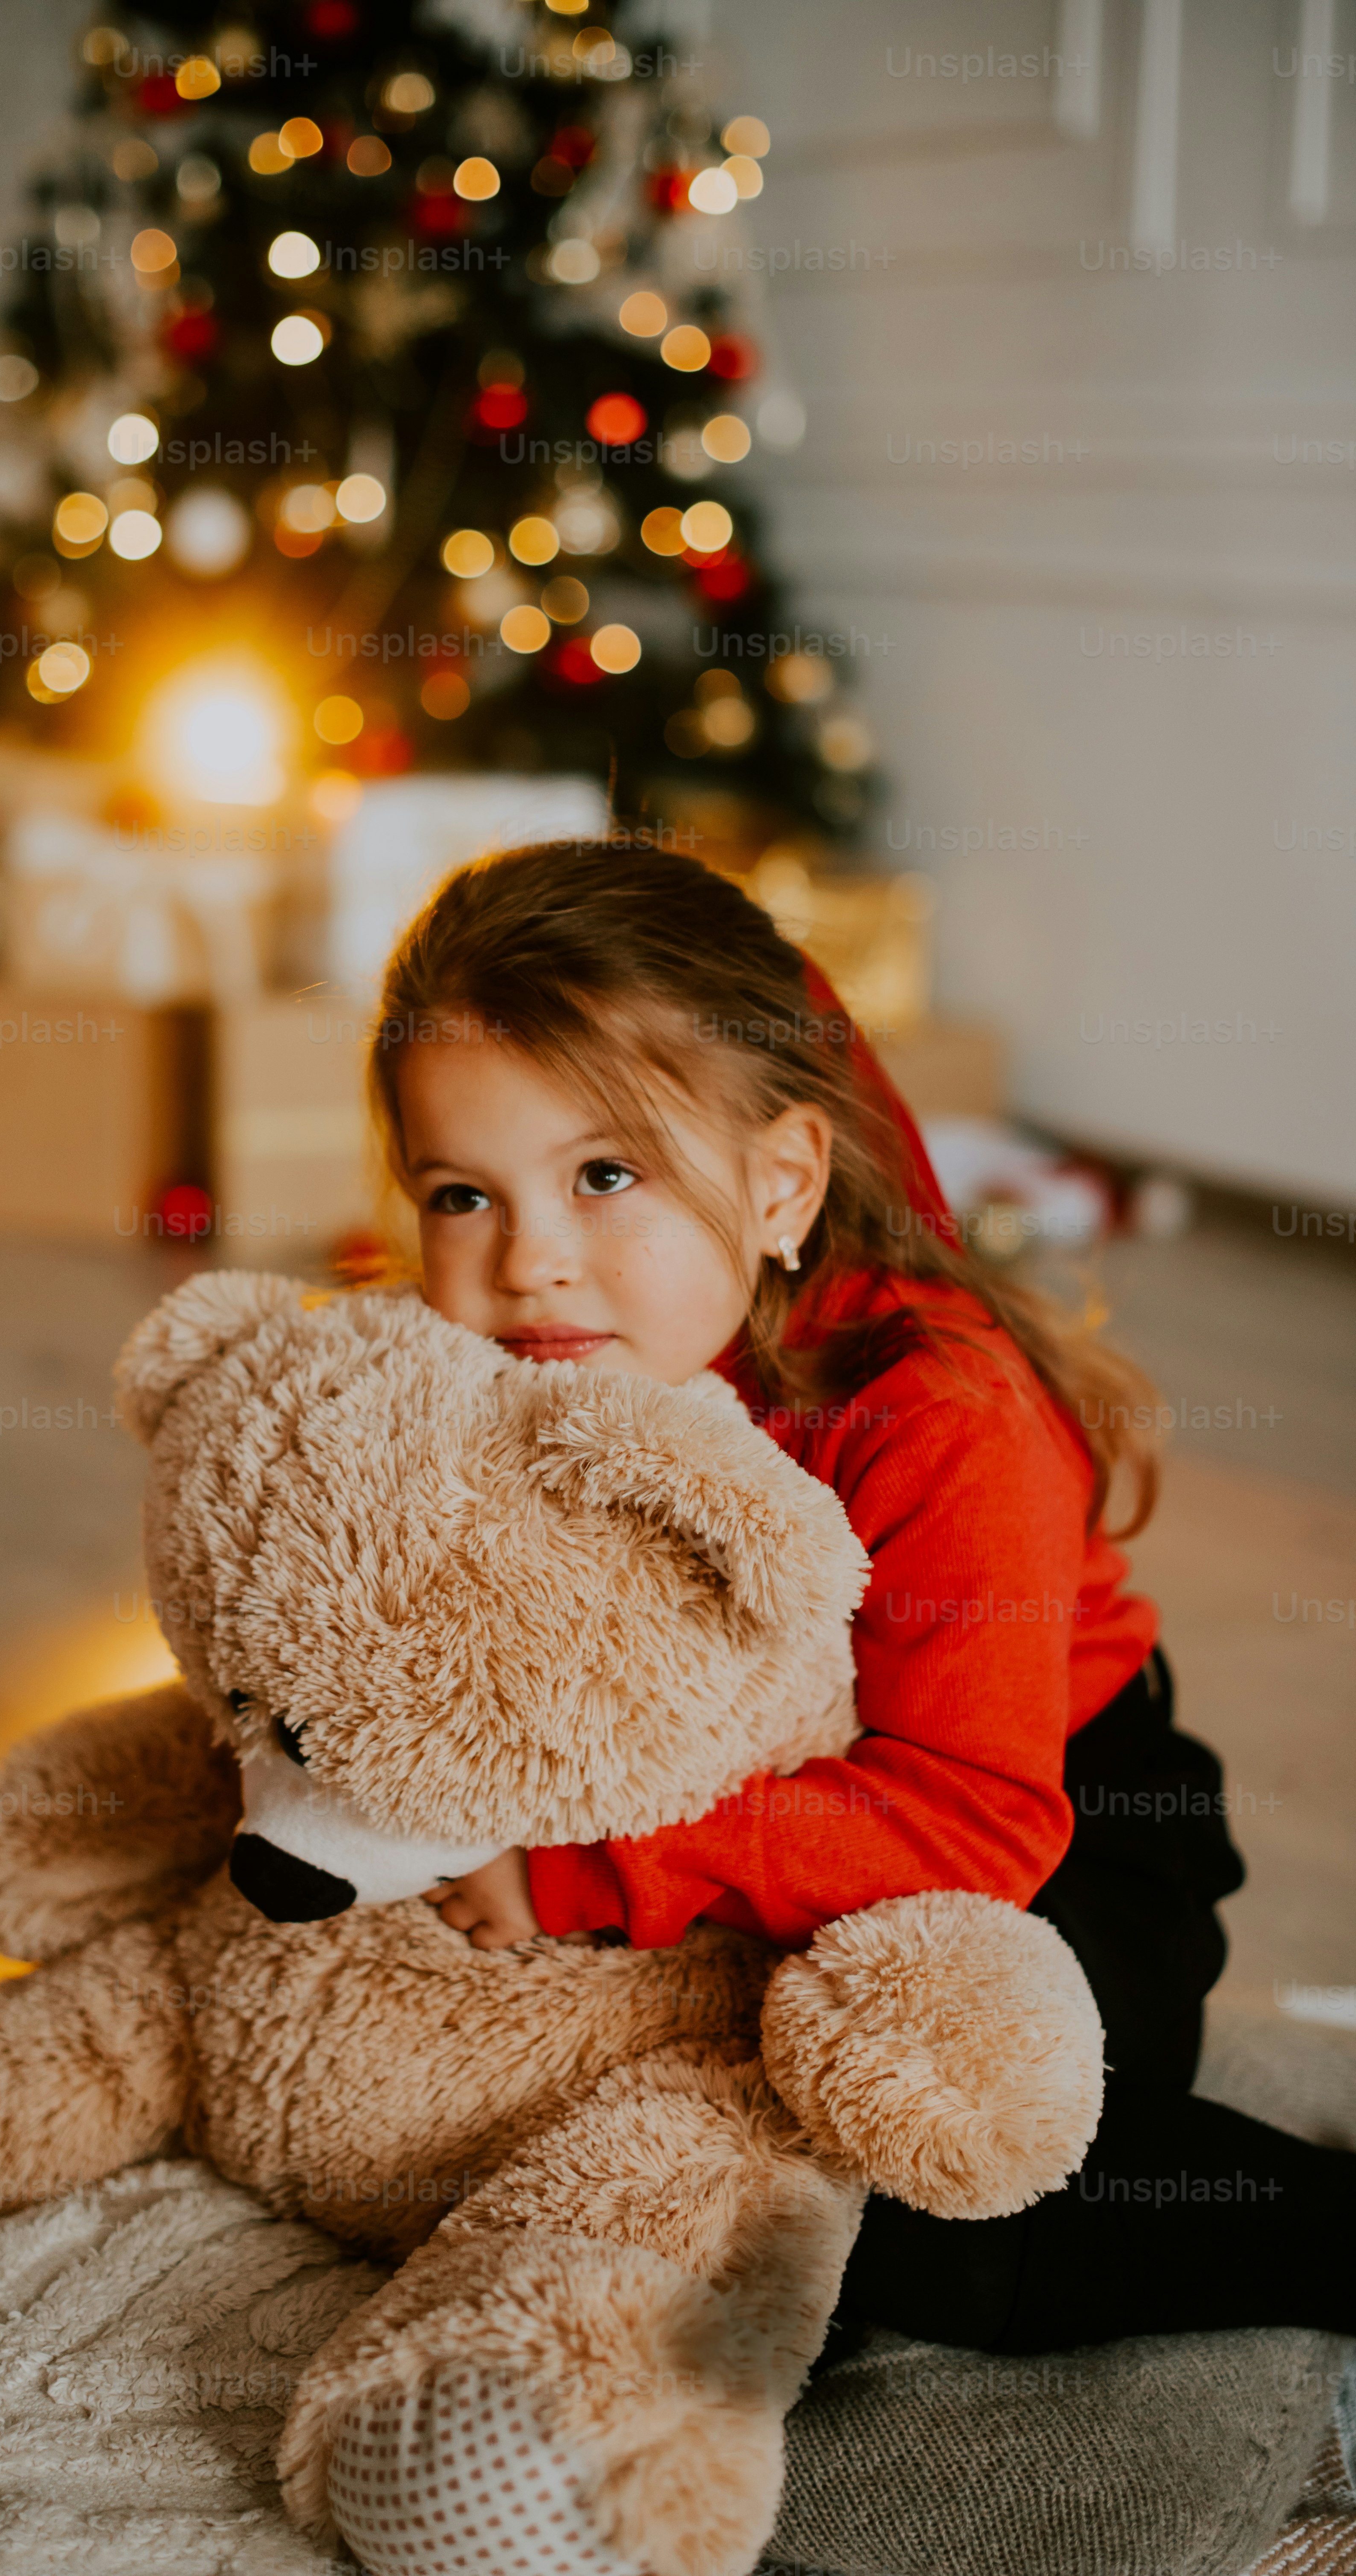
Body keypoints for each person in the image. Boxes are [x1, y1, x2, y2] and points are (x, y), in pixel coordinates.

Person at [363, 835, 1352, 2357]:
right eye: (461, 1194)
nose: (532, 1262)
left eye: (605, 1176)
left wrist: (588, 1872)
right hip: (772, 1806)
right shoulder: (524, 1366)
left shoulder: (937, 1410)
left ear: (782, 1184)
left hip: (1058, 1841)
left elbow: (972, 1818)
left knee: (909, 2211)